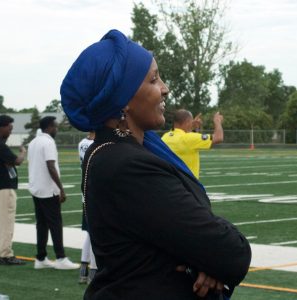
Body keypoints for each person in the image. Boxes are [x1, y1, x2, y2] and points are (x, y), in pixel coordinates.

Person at [60, 29, 251, 299]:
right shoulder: (126, 165)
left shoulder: (120, 151)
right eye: (153, 79)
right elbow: (232, 252)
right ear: (123, 99)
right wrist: (209, 257)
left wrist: (203, 257)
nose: (165, 88)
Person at [27, 116, 79, 270]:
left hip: (36, 188)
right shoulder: (48, 142)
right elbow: (50, 166)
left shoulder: (33, 142)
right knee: (55, 224)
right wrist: (61, 189)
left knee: (41, 225)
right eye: (55, 126)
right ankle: (61, 257)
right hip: (48, 190)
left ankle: (41, 258)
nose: (56, 129)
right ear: (49, 127)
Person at [0, 115, 26, 265]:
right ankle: (6, 254)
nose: (10, 131)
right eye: (9, 128)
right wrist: (23, 152)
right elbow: (17, 161)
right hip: (4, 188)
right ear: (2, 127)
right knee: (6, 222)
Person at [162, 109, 224, 179]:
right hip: (188, 184)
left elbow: (189, 141)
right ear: (187, 122)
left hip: (171, 180)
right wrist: (217, 121)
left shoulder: (165, 137)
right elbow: (218, 137)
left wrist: (194, 128)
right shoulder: (188, 138)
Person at [77, 131, 97, 284]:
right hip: (95, 192)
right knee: (97, 233)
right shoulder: (94, 145)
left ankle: (84, 269)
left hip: (85, 192)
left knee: (90, 233)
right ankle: (93, 271)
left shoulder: (81, 143)